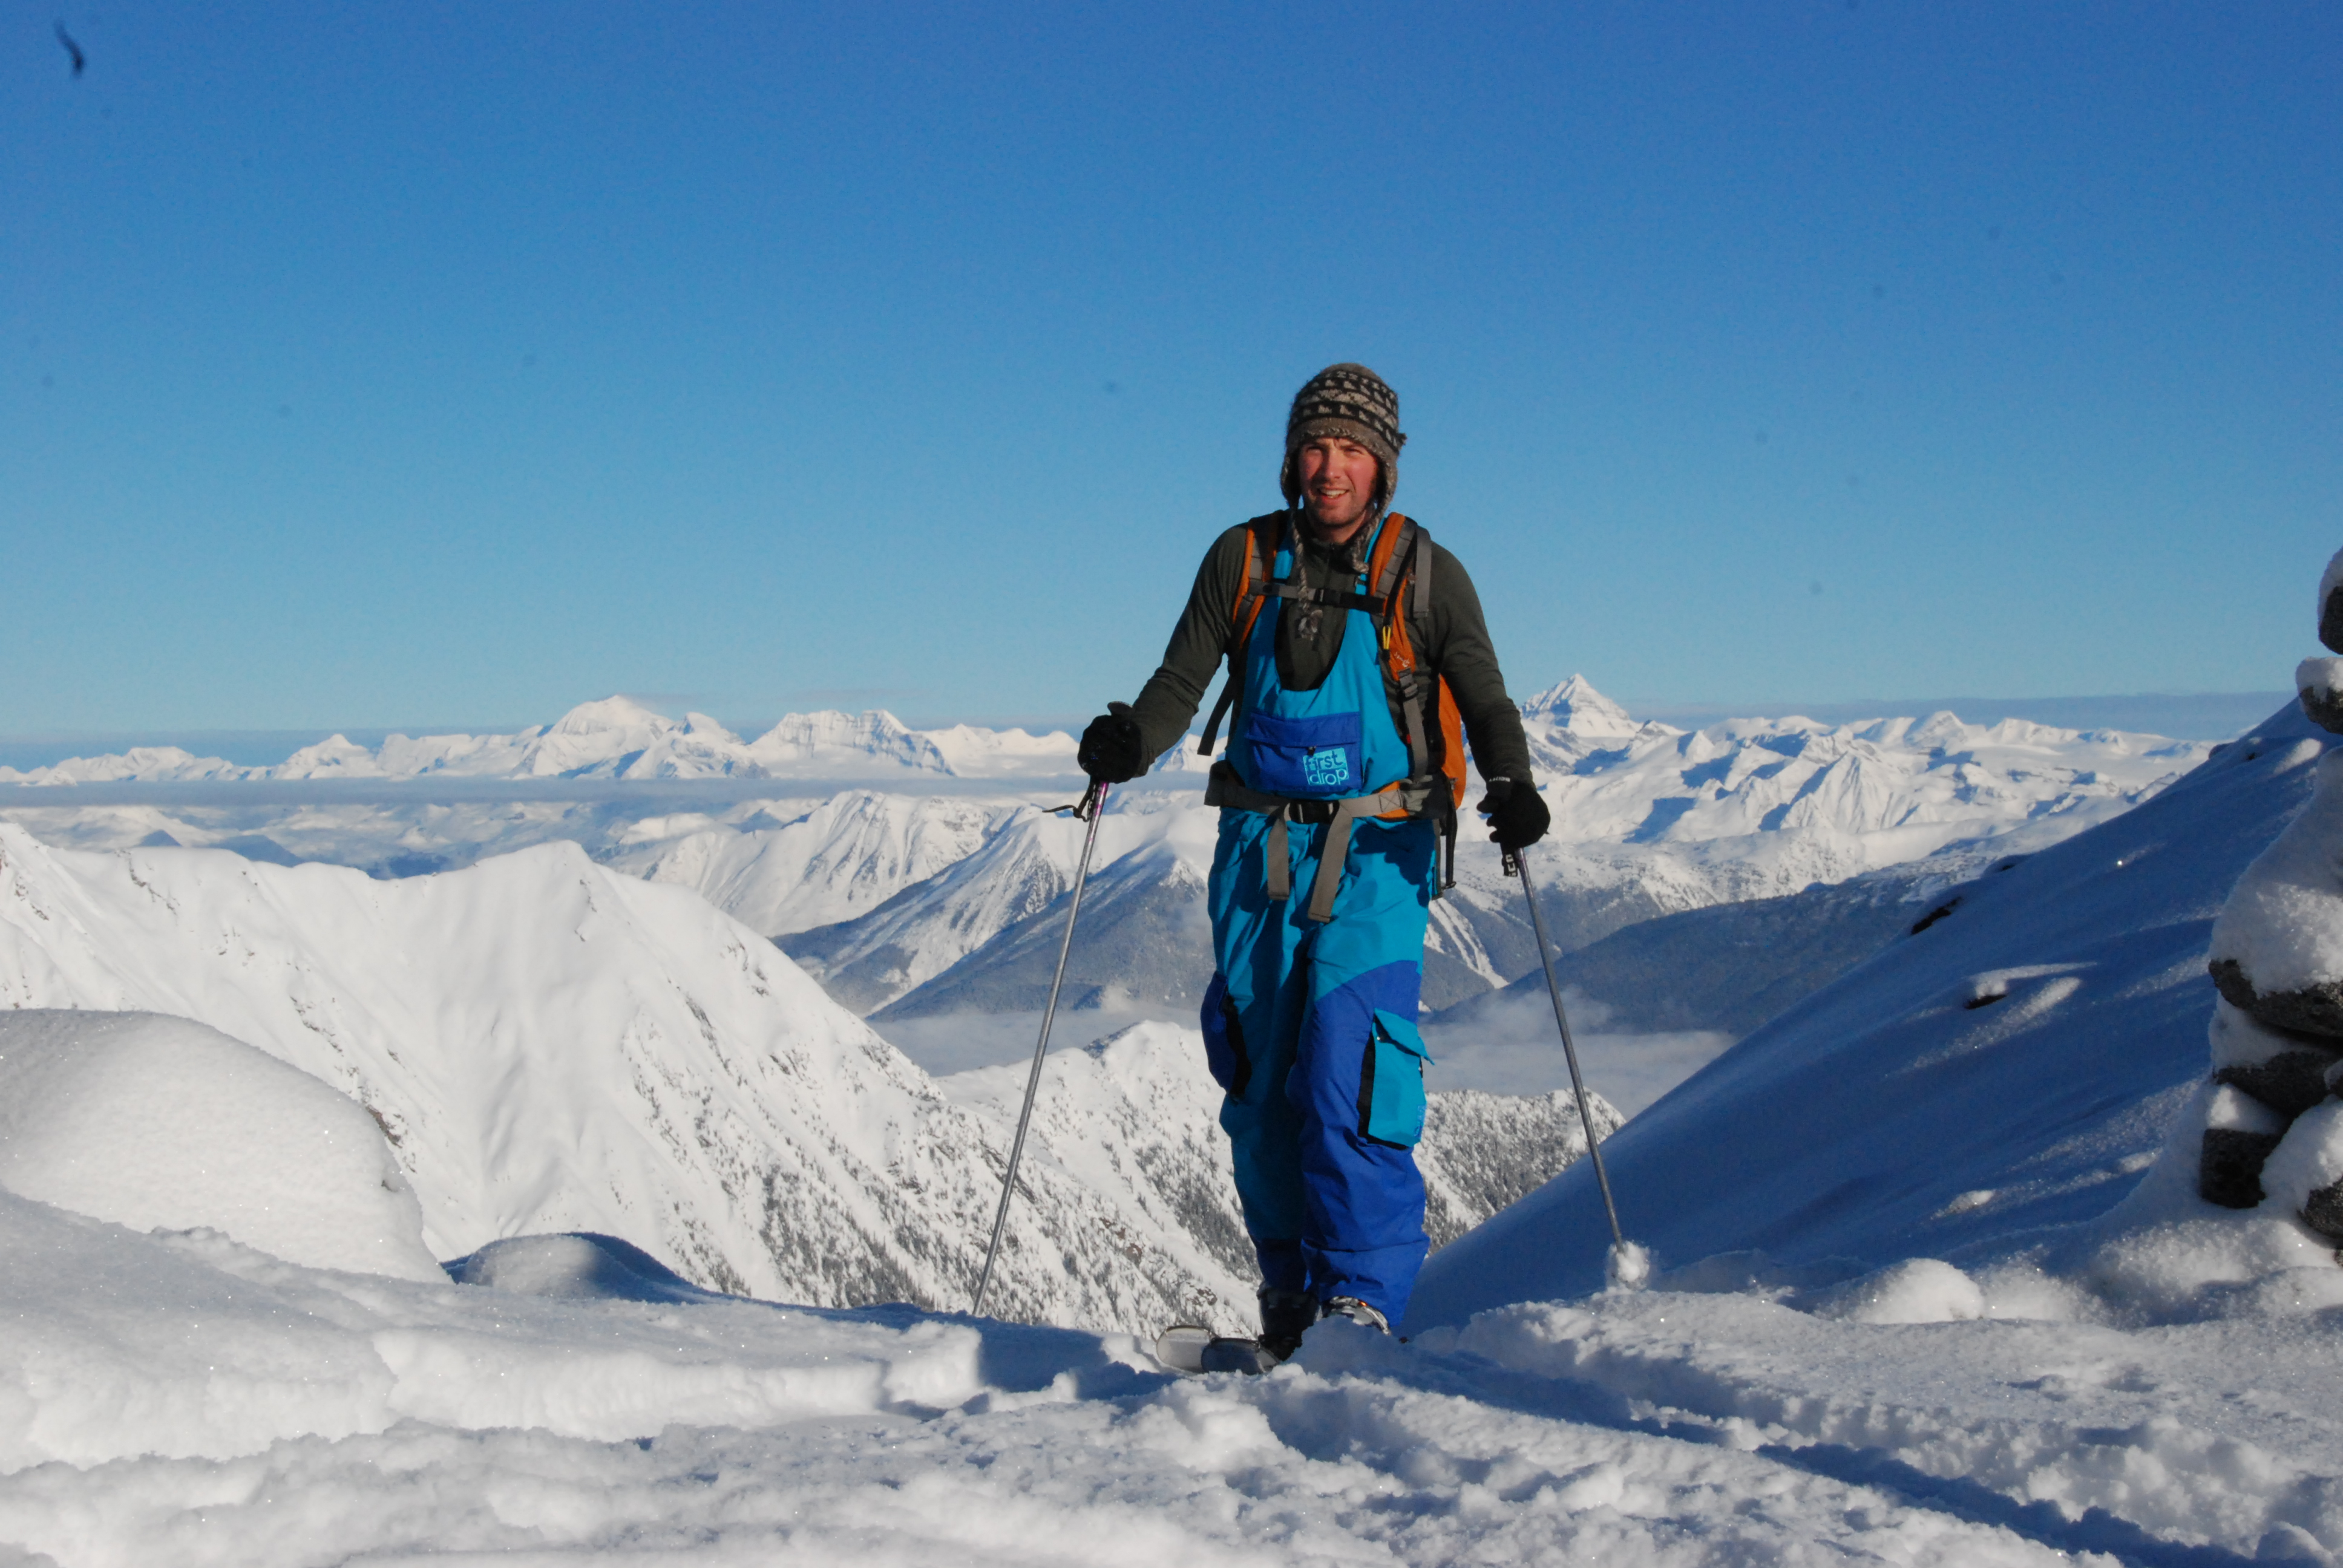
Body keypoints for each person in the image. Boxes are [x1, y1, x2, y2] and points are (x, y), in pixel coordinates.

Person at [1076, 363, 1549, 1353]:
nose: (1331, 468)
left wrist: (1509, 781)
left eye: (1352, 451)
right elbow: (1180, 679)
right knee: (1259, 1082)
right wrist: (1134, 739)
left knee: (1351, 1067)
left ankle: (1361, 1306)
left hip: (1379, 848)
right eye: (1316, 447)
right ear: (1292, 458)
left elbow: (1488, 698)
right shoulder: (1241, 559)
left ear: (1384, 469)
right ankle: (1289, 1300)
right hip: (1256, 849)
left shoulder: (1425, 574)